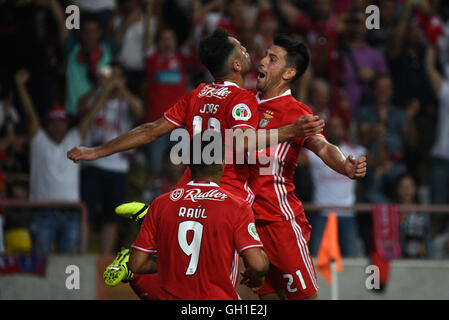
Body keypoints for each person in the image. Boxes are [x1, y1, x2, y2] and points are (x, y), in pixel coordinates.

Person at [67, 28, 324, 202]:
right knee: (249, 265)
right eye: (242, 50)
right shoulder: (243, 98)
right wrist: (290, 131)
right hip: (227, 192)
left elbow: (149, 131)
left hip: (190, 189)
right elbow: (243, 140)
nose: (250, 53)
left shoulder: (196, 94)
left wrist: (97, 151)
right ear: (236, 65)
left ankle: (152, 237)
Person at [248, 34, 367, 300]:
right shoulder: (244, 105)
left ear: (289, 72)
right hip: (249, 225)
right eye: (265, 55)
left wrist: (344, 165)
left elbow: (323, 147)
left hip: (280, 223)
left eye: (272, 58)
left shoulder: (296, 111)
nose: (262, 61)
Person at [119, 134, 269, 299]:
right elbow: (258, 265)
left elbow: (136, 264)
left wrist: (173, 262)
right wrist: (260, 271)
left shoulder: (161, 203)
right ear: (222, 164)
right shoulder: (237, 207)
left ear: (189, 165)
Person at [15, 69, 104, 254]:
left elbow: (91, 115)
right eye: (54, 122)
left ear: (66, 123)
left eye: (61, 121)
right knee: (41, 264)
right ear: (47, 124)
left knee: (69, 267)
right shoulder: (39, 141)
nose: (58, 125)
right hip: (42, 212)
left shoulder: (73, 139)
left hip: (71, 213)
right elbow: (31, 115)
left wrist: (106, 89)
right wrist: (20, 86)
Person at [77, 62, 144, 254]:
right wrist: (101, 88)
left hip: (119, 167)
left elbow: (139, 114)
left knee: (111, 218)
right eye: (111, 75)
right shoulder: (95, 97)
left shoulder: (131, 100)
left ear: (123, 80)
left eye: (118, 76)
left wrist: (122, 90)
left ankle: (105, 258)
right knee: (86, 215)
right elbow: (79, 108)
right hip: (93, 163)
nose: (114, 80)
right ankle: (82, 257)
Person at [306, 116, 366, 257]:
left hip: (347, 213)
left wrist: (380, 138)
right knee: (315, 257)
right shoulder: (314, 153)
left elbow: (379, 162)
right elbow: (294, 158)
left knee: (351, 260)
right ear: (326, 129)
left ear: (344, 130)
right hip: (323, 213)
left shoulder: (356, 152)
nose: (335, 130)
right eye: (331, 126)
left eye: (338, 126)